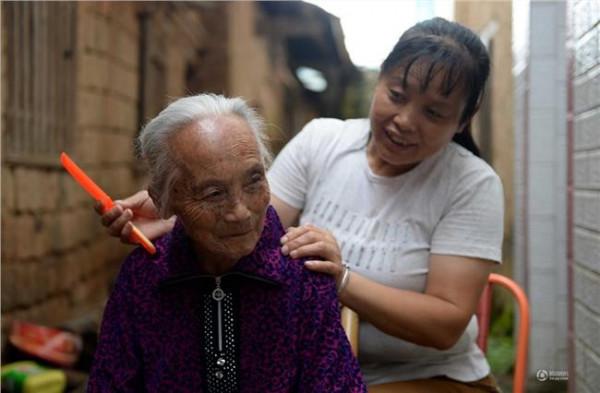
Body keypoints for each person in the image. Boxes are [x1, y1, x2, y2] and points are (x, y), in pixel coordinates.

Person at [99, 18, 503, 393]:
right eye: (397, 95)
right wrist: (172, 212)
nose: (405, 120)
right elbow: (251, 216)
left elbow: (446, 324)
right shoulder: (322, 141)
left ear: (464, 120)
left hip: (425, 377)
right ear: (379, 79)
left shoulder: (471, 184)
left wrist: (340, 279)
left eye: (433, 112)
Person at [87, 94, 366, 392]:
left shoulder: (303, 277)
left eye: (253, 181)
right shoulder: (144, 277)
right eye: (214, 194)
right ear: (162, 200)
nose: (241, 211)